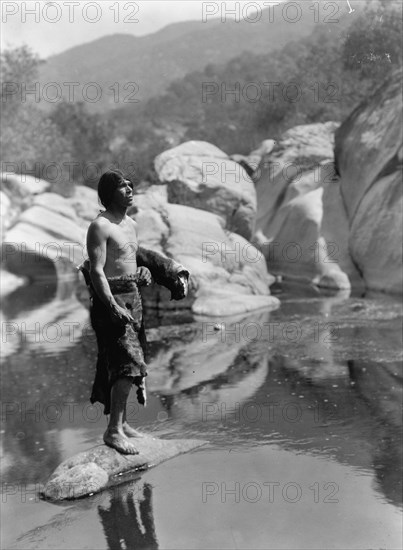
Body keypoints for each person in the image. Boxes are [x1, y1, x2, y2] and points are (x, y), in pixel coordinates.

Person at [83, 169, 189, 455]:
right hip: (112, 303)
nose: (129, 189)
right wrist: (112, 305)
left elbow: (129, 260)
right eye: (122, 186)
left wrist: (142, 270)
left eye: (131, 184)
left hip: (134, 300)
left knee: (132, 363)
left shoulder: (130, 223)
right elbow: (96, 271)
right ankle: (113, 431)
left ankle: (124, 424)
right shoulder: (100, 226)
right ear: (108, 194)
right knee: (127, 365)